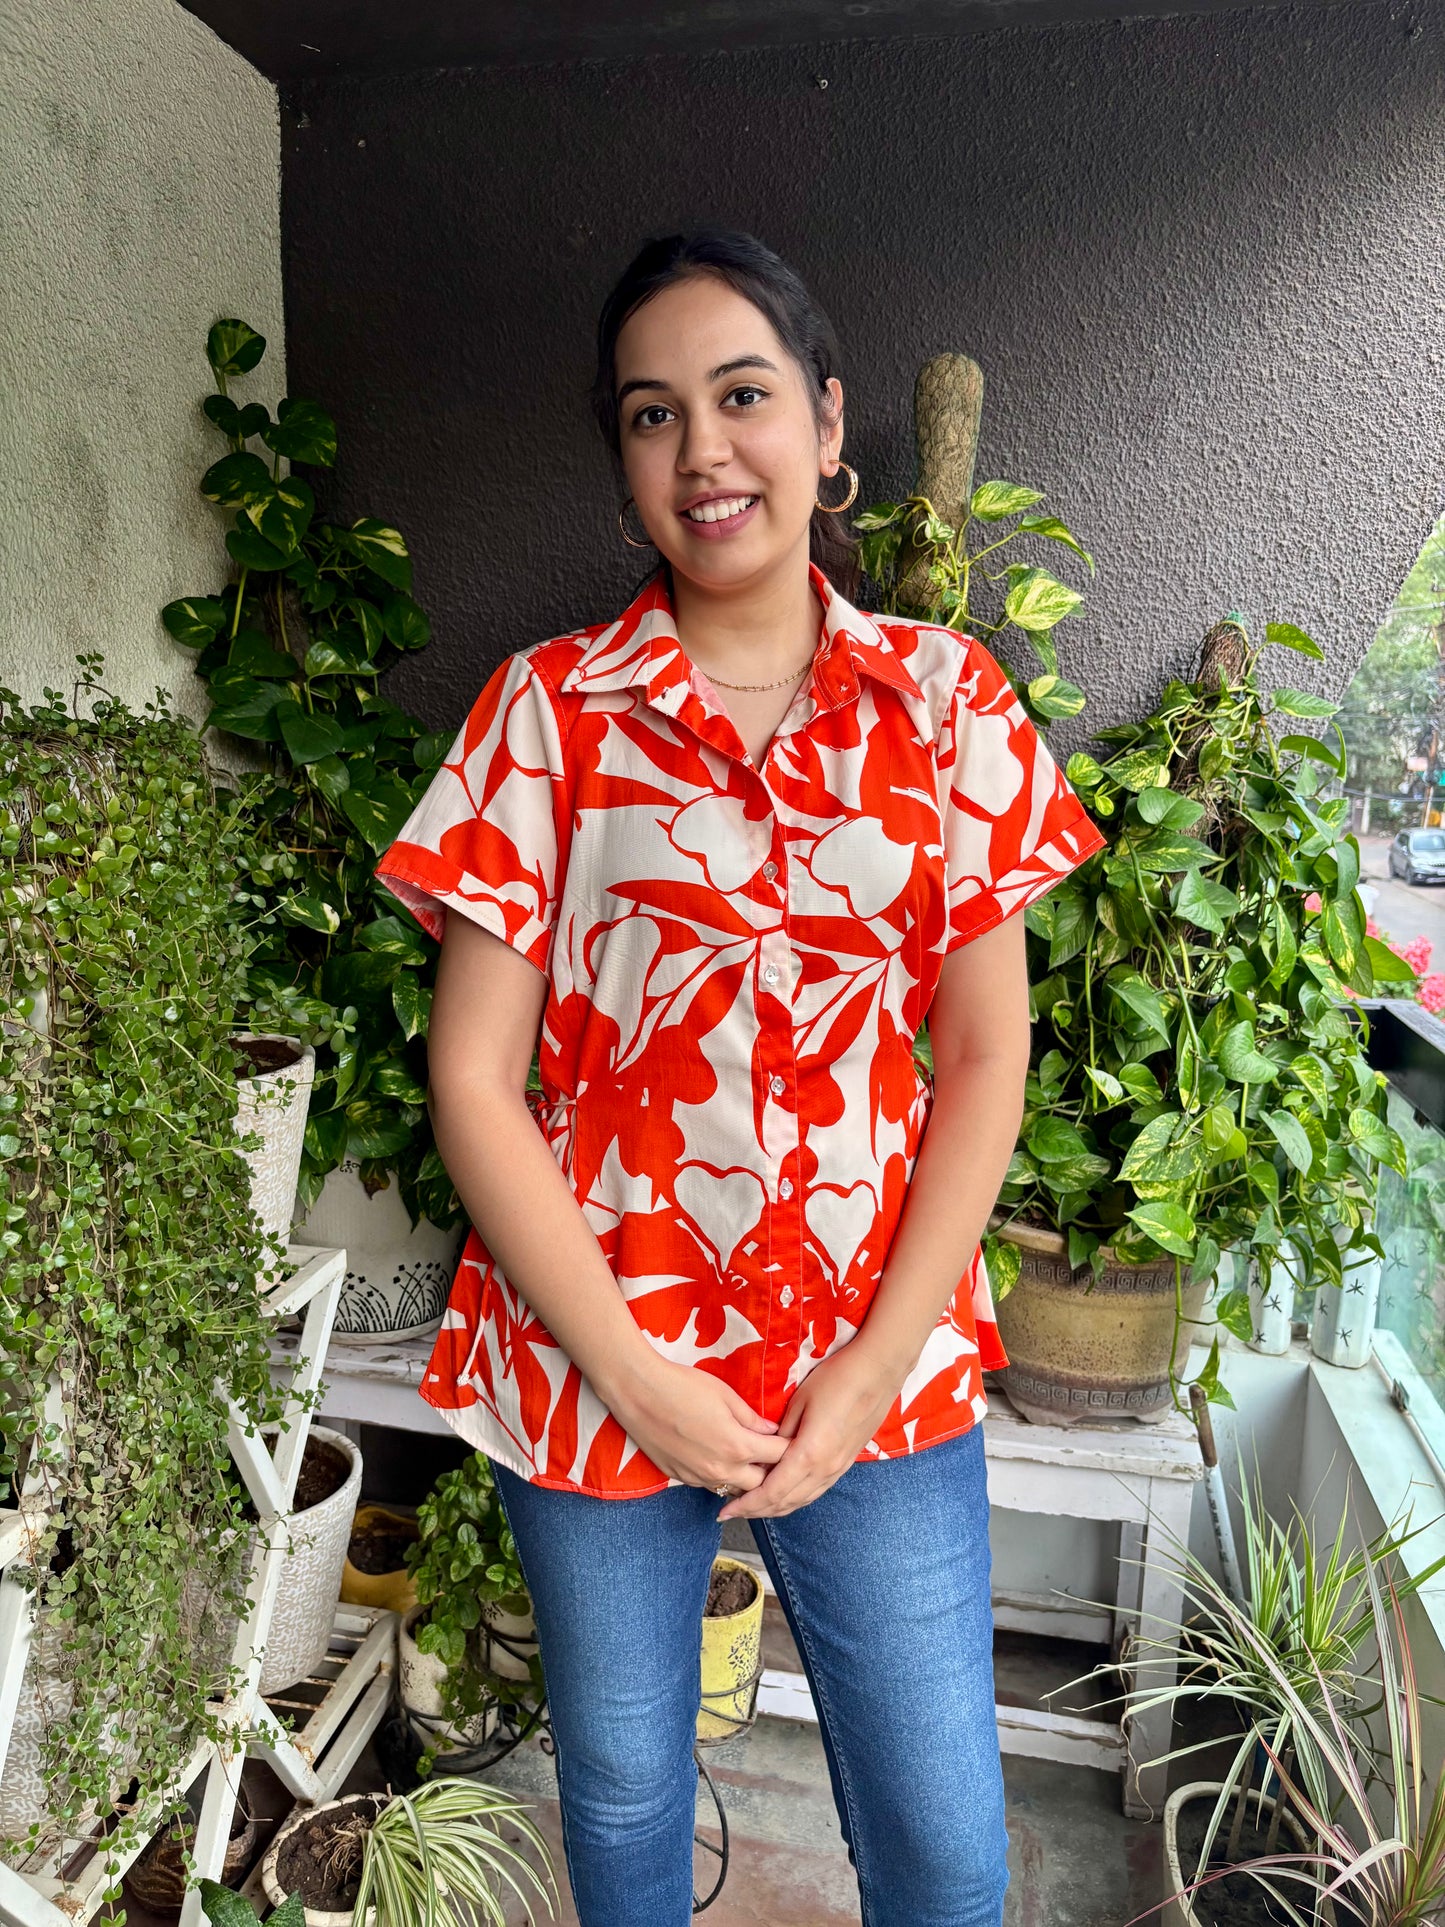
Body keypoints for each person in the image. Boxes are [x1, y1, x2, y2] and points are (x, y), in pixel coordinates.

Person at [374, 229, 1104, 1927]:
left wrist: (861, 1375)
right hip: (597, 1362)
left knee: (937, 1827)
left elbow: (985, 1054)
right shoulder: (544, 716)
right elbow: (473, 1076)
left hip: (877, 1368)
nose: (701, 449)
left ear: (829, 426)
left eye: (742, 395)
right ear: (625, 465)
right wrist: (628, 1369)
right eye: (651, 415)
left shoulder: (946, 704)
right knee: (623, 1792)